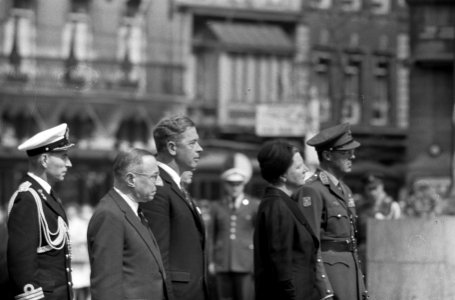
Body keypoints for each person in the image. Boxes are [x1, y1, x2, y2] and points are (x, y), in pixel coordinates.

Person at [292, 123, 369, 300]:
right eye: (345, 153)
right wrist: (325, 289)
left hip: (349, 276)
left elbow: (350, 242)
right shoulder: (312, 190)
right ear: (327, 155)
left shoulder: (345, 190)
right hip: (331, 279)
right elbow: (310, 245)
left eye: (352, 152)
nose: (353, 156)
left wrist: (361, 287)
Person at [140, 114, 207, 300]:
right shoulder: (158, 188)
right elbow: (157, 257)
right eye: (192, 143)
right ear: (172, 147)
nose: (199, 149)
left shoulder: (174, 186)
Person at [87, 148, 169, 300]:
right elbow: (106, 285)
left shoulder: (132, 210)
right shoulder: (110, 214)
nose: (159, 183)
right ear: (131, 179)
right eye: (154, 177)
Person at [7, 123, 74, 300]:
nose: (69, 163)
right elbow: (22, 265)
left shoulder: (48, 196)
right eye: (64, 156)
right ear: (44, 160)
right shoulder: (28, 199)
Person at [254, 139, 320, 300]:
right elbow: (280, 264)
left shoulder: (284, 202)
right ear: (282, 174)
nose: (305, 169)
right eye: (298, 167)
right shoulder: (277, 206)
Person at [209, 165, 259, 300]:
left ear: (244, 184)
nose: (235, 187)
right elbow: (212, 235)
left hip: (245, 261)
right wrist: (211, 261)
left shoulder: (254, 205)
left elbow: (259, 235)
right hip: (223, 261)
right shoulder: (217, 206)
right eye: (231, 184)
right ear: (226, 185)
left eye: (238, 184)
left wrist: (257, 262)